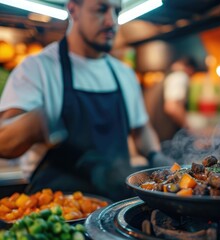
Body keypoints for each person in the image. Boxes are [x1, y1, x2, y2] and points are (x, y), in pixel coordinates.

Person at [0, 0, 170, 201]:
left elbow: (141, 130)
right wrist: (35, 123)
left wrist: (154, 155)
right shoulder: (37, 69)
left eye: (116, 11)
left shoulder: (123, 73)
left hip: (114, 207)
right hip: (57, 210)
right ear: (73, 10)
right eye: (101, 9)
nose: (111, 21)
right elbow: (3, 143)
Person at [145, 57, 197, 142]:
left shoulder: (166, 76)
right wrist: (189, 130)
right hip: (168, 137)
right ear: (190, 69)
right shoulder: (179, 76)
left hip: (156, 136)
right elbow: (172, 107)